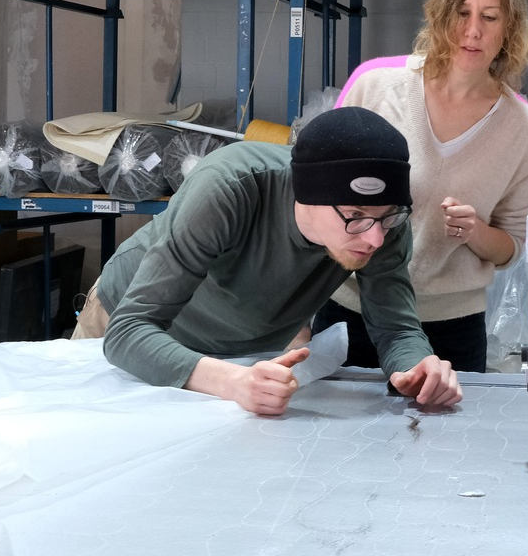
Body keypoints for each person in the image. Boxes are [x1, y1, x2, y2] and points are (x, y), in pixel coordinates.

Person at [71, 106, 462, 415]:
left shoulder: (384, 221)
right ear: (306, 197)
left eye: (387, 216)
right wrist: (230, 381)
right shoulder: (229, 188)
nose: (375, 237)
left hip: (243, 358)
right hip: (141, 332)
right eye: (355, 216)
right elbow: (129, 331)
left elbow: (395, 328)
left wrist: (416, 367)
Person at [316, 0, 528, 373]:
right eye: (461, 12)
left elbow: (511, 248)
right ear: (440, 14)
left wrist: (475, 231)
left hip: (452, 329)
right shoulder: (376, 88)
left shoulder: (522, 129)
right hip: (354, 311)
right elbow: (316, 201)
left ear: (509, 27)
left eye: (490, 17)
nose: (472, 30)